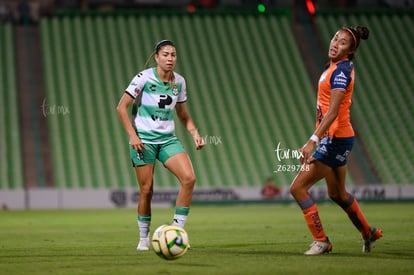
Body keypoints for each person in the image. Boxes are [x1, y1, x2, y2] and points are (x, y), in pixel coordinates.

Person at [289, 26, 382, 255]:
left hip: (335, 138)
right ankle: (368, 232)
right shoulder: (333, 67)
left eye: (342, 43)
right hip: (338, 138)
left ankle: (322, 241)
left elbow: (332, 112)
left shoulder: (341, 71)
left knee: (298, 188)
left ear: (349, 52)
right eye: (335, 38)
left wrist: (313, 140)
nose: (335, 43)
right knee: (337, 194)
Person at [117, 40, 205, 251]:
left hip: (167, 139)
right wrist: (133, 136)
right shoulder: (144, 78)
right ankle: (143, 238)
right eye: (165, 54)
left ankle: (177, 231)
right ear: (156, 57)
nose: (170, 58)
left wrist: (195, 133)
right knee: (147, 190)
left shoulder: (180, 82)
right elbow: (121, 107)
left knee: (189, 178)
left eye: (173, 55)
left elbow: (183, 115)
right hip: (143, 141)